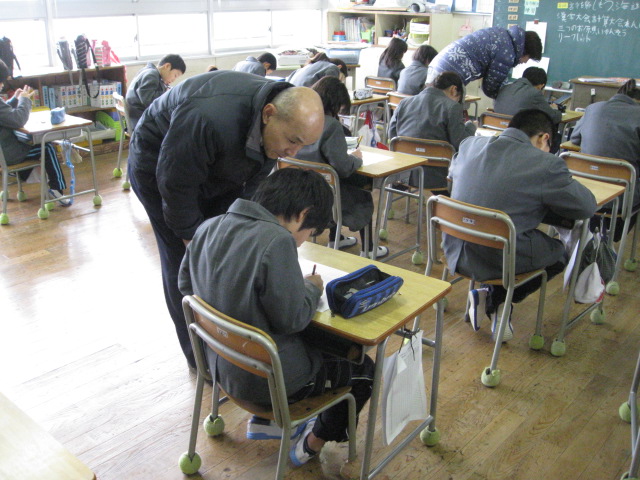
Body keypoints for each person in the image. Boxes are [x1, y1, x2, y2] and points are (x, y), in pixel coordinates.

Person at [127, 70, 325, 369]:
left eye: (302, 146)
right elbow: (175, 185)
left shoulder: (275, 124)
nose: (292, 152)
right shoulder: (208, 116)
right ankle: (200, 358)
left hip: (219, 165)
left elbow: (253, 186)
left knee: (228, 249)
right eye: (292, 141)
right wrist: (195, 241)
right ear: (268, 114)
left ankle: (230, 350)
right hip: (159, 169)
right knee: (183, 259)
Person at [178, 167, 374, 466]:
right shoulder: (277, 240)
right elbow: (293, 320)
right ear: (303, 214)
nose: (302, 241)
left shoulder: (209, 226)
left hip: (221, 366)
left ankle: (266, 422)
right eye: (309, 232)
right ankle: (311, 443)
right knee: (364, 369)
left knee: (313, 341)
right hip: (266, 381)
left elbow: (185, 288)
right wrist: (310, 288)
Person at [445, 109, 597, 341]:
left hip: (455, 249)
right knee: (559, 253)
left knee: (509, 236)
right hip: (496, 257)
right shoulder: (546, 164)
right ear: (545, 138)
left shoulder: (469, 145)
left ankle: (493, 297)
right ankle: (496, 299)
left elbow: (452, 179)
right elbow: (587, 207)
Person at [295, 76, 387, 258]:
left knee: (334, 181)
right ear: (335, 103)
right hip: (326, 195)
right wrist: (356, 159)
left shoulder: (300, 119)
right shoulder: (331, 126)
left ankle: (336, 238)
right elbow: (343, 167)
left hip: (303, 192)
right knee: (362, 193)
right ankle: (368, 249)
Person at [570, 78, 640, 241]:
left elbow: (574, 139)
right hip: (623, 197)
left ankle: (594, 234)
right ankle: (612, 237)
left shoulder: (592, 108)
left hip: (584, 190)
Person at [388, 71, 477, 189]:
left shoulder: (404, 102)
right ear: (454, 89)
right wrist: (471, 126)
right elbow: (461, 143)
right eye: (458, 99)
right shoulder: (452, 107)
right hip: (439, 176)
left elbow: (392, 134)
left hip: (404, 172)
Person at [0, 59, 69, 206]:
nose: (3, 86)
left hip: (4, 153)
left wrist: (15, 99)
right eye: (2, 82)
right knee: (47, 147)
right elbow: (18, 120)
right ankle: (57, 189)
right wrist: (25, 100)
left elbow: (4, 114)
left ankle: (25, 175)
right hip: (9, 155)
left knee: (32, 141)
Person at [426, 26, 543, 99]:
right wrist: (507, 98)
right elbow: (491, 87)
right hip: (449, 74)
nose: (525, 62)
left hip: (438, 65)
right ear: (524, 51)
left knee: (433, 109)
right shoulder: (507, 53)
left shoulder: (502, 34)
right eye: (528, 58)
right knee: (451, 112)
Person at [494, 66, 562, 152]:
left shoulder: (504, 88)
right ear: (541, 85)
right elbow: (553, 117)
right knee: (556, 138)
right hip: (519, 134)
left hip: (496, 129)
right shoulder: (534, 93)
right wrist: (556, 110)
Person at [125, 53, 186, 131]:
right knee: (178, 124)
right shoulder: (151, 75)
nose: (174, 79)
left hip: (136, 117)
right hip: (141, 120)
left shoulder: (148, 71)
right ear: (167, 66)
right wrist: (167, 93)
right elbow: (148, 100)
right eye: (175, 75)